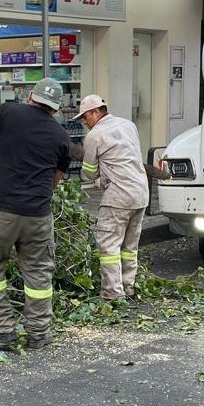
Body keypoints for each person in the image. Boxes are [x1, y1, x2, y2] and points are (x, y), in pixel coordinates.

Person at [0, 78, 71, 350]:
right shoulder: (61, 136)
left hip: (0, 211)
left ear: (31, 97)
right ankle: (38, 332)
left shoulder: (8, 112)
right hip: (37, 215)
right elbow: (54, 180)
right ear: (55, 109)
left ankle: (2, 329)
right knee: (38, 273)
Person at [74, 95, 149, 301]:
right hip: (141, 192)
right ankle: (129, 287)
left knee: (108, 245)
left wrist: (97, 179)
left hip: (118, 196)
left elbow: (88, 172)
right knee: (129, 246)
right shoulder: (128, 125)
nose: (84, 122)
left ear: (96, 112)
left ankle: (112, 295)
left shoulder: (94, 136)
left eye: (86, 117)